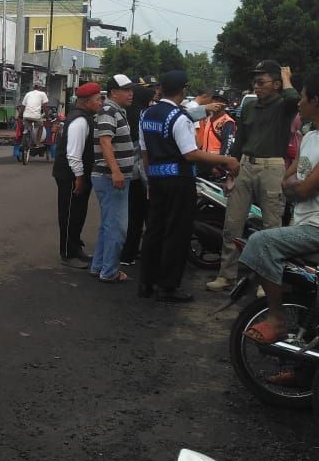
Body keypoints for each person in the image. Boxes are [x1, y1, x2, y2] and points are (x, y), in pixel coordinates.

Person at [238, 67, 319, 344]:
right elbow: (289, 183)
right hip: (301, 224)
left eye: (302, 97)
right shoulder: (311, 135)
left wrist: (298, 187)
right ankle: (301, 368)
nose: (298, 102)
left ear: (315, 101)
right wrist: (298, 188)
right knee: (306, 304)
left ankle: (276, 319)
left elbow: (301, 187)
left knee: (261, 242)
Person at [138, 70, 239, 302]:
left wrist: (150, 178)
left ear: (161, 88)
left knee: (154, 230)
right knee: (177, 232)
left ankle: (146, 283)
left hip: (156, 177)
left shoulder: (148, 114)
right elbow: (191, 154)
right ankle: (168, 286)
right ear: (183, 90)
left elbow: (145, 151)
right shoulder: (178, 118)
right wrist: (227, 160)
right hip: (177, 181)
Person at [206, 60, 300, 293]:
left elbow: (294, 100)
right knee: (233, 224)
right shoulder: (249, 107)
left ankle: (267, 281)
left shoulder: (283, 106)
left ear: (276, 84)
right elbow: (240, 139)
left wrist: (287, 79)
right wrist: (231, 169)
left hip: (272, 167)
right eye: (254, 82)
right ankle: (227, 275)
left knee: (270, 227)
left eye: (261, 82)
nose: (256, 86)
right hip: (245, 165)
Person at [89, 74, 137, 283]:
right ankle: (109, 271)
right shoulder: (109, 111)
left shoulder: (116, 111)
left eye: (130, 89)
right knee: (117, 227)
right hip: (110, 177)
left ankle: (99, 265)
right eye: (126, 89)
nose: (130, 93)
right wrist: (116, 171)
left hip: (110, 176)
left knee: (108, 225)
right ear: (113, 92)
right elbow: (106, 142)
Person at [53, 82, 102, 268]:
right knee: (69, 214)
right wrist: (79, 178)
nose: (100, 103)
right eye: (98, 100)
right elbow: (73, 154)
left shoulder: (85, 117)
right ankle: (67, 253)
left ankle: (75, 247)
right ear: (87, 101)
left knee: (79, 212)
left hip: (76, 173)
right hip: (70, 175)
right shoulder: (80, 121)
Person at [122, 77, 157, 265]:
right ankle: (128, 253)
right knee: (137, 216)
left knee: (134, 216)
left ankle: (130, 251)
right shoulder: (139, 115)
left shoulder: (132, 111)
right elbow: (140, 152)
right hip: (137, 175)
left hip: (132, 175)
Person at [21, 82, 49, 147]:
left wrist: (20, 115)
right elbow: (45, 106)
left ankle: (24, 139)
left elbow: (23, 106)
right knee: (41, 126)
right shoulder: (42, 94)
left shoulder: (28, 94)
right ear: (40, 87)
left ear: (33, 87)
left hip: (26, 115)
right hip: (36, 116)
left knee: (26, 127)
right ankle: (37, 142)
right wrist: (47, 117)